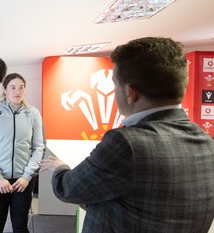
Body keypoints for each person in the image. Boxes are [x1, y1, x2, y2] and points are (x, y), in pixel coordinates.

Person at [40, 37, 214, 232]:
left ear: (131, 92)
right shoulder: (207, 143)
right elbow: (151, 206)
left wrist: (60, 167)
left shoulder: (127, 143)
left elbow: (68, 188)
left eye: (115, 84)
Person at [0, 73, 45, 233]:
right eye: (13, 87)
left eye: (21, 87)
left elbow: (39, 147)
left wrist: (27, 176)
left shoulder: (34, 114)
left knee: (20, 226)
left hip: (23, 182)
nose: (17, 92)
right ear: (5, 89)